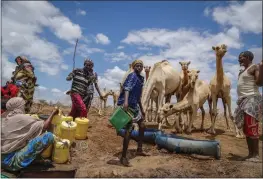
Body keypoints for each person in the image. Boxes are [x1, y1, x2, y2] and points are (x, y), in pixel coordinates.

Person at [1, 97, 59, 172]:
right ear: (19, 106)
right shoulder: (20, 118)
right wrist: (53, 113)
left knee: (28, 137)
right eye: (23, 106)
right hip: (10, 162)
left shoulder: (3, 118)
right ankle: (32, 161)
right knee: (48, 136)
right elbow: (44, 126)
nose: (24, 108)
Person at [116, 59, 148, 167]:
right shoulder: (132, 76)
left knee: (142, 125)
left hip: (136, 105)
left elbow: (138, 95)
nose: (139, 67)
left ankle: (139, 149)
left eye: (141, 66)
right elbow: (127, 89)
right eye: (137, 66)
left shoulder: (141, 78)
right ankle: (123, 157)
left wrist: (142, 109)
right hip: (128, 105)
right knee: (129, 131)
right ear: (134, 67)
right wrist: (125, 102)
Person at [234, 51, 263, 162]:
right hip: (244, 100)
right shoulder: (242, 71)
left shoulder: (254, 67)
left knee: (251, 126)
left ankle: (256, 155)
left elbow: (260, 83)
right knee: (246, 128)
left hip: (252, 99)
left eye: (241, 57)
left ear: (247, 58)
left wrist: (261, 68)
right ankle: (250, 154)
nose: (239, 60)